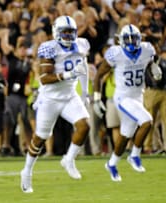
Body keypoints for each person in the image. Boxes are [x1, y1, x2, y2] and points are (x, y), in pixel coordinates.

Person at [20, 15, 91, 193]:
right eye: (64, 32)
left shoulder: (82, 44)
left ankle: (69, 159)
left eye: (71, 32)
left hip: (70, 95)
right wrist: (68, 75)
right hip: (50, 99)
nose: (68, 35)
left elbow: (83, 68)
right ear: (56, 32)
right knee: (40, 137)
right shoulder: (49, 48)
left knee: (84, 125)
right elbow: (44, 79)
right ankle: (27, 171)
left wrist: (85, 93)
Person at [93, 24, 162, 182]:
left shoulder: (146, 49)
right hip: (122, 97)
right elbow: (98, 76)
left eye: (134, 39)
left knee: (125, 136)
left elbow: (153, 58)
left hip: (138, 96)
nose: (131, 42)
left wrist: (154, 67)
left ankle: (111, 164)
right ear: (120, 40)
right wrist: (97, 99)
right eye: (127, 39)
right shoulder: (115, 53)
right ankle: (135, 156)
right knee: (147, 121)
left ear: (140, 39)